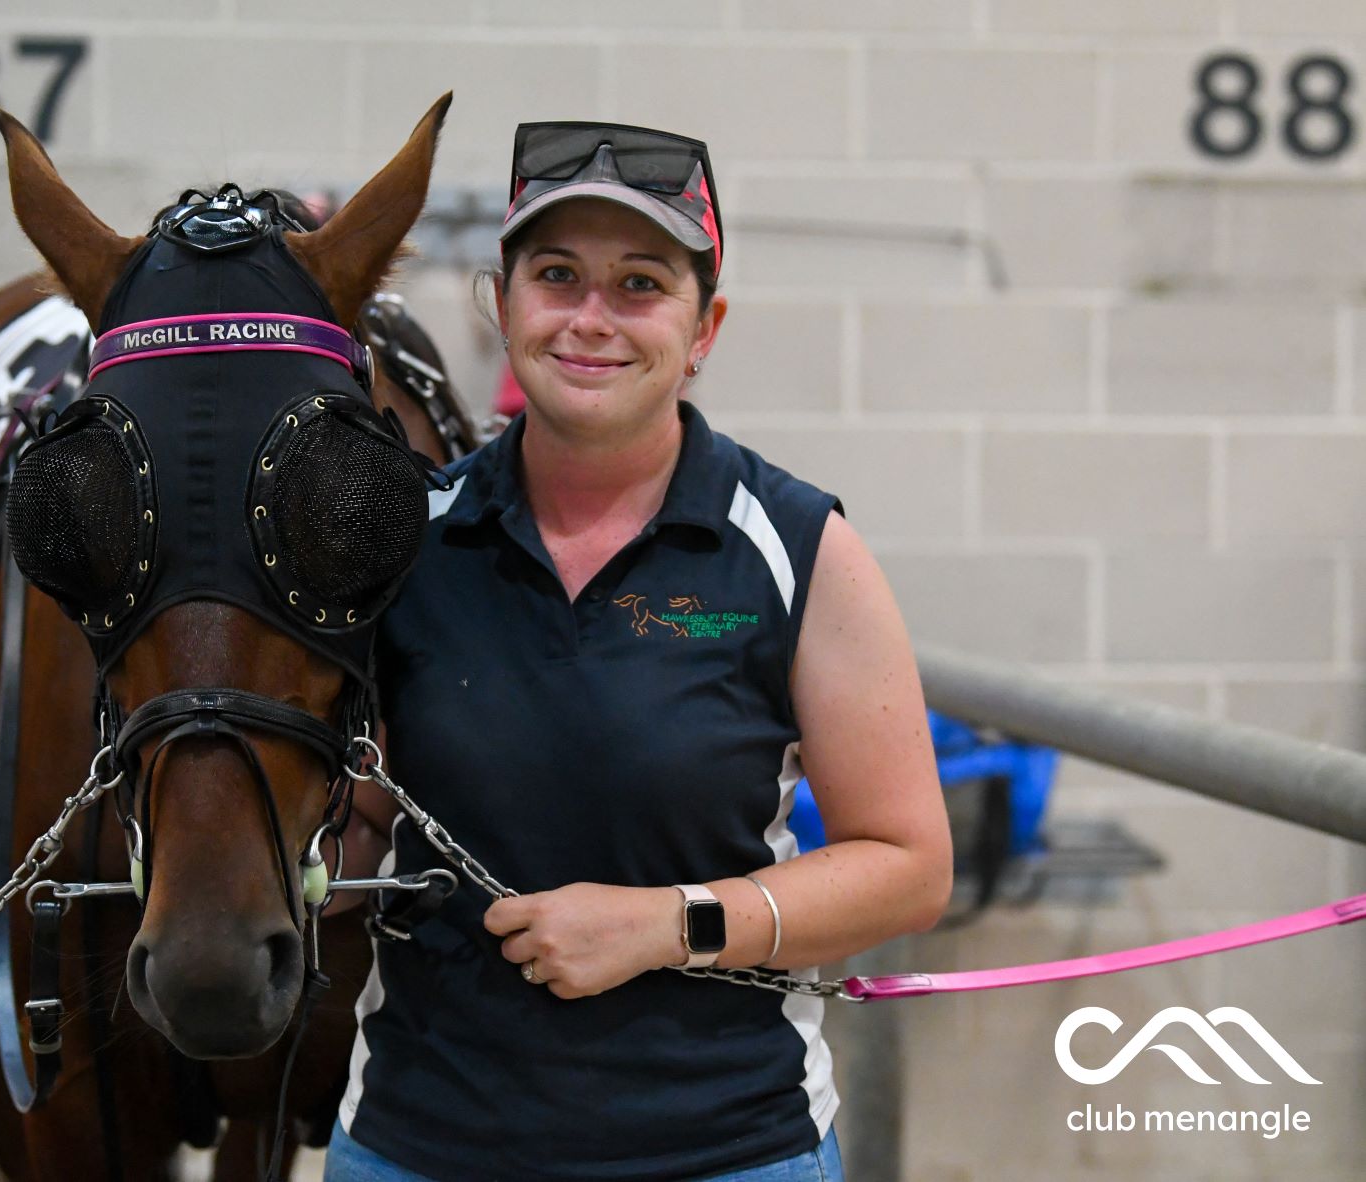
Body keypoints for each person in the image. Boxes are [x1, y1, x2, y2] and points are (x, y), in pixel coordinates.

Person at [323, 121, 952, 1182]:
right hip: (421, 1144)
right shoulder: (405, 542)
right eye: (556, 276)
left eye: (640, 285)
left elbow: (907, 869)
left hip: (724, 1147)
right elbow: (366, 823)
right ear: (502, 304)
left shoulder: (795, 548)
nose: (591, 318)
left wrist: (672, 924)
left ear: (703, 328)